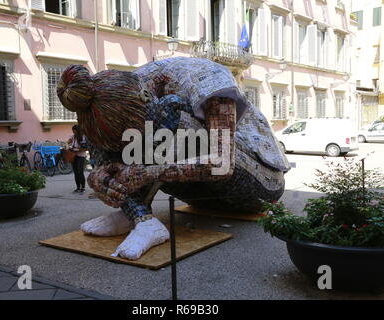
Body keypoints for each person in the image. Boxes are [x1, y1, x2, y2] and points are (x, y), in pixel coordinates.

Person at [57, 57, 290, 260]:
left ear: (146, 96)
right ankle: (140, 218)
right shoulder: (105, 96)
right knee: (104, 143)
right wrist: (102, 177)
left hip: (257, 186)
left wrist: (145, 173)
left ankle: (141, 216)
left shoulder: (209, 81)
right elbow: (106, 149)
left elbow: (223, 163)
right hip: (200, 196)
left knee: (167, 114)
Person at [68, 125, 88, 193]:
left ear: (78, 131)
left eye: (74, 131)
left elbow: (85, 148)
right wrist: (69, 143)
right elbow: (68, 143)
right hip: (73, 156)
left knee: (80, 172)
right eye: (73, 131)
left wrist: (77, 150)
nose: (73, 132)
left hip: (81, 156)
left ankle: (83, 187)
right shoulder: (72, 137)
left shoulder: (83, 137)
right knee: (76, 172)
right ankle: (78, 187)